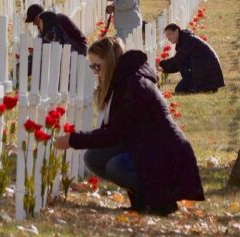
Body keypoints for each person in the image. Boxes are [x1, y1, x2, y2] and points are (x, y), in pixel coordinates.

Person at [54, 37, 205, 215]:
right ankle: (142, 201)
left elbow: (114, 134)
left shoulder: (133, 85)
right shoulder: (122, 82)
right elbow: (115, 131)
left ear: (109, 62)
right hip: (147, 147)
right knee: (94, 157)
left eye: (97, 66)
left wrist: (72, 140)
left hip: (166, 154)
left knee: (115, 166)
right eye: (92, 67)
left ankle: (162, 201)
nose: (96, 72)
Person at [158, 23, 225, 94]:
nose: (168, 38)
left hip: (206, 71)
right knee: (180, 89)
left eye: (169, 34)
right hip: (202, 70)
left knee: (181, 90)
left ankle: (203, 88)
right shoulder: (184, 40)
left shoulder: (187, 41)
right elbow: (179, 63)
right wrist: (164, 68)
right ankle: (201, 88)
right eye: (167, 36)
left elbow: (178, 60)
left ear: (177, 31)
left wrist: (160, 64)